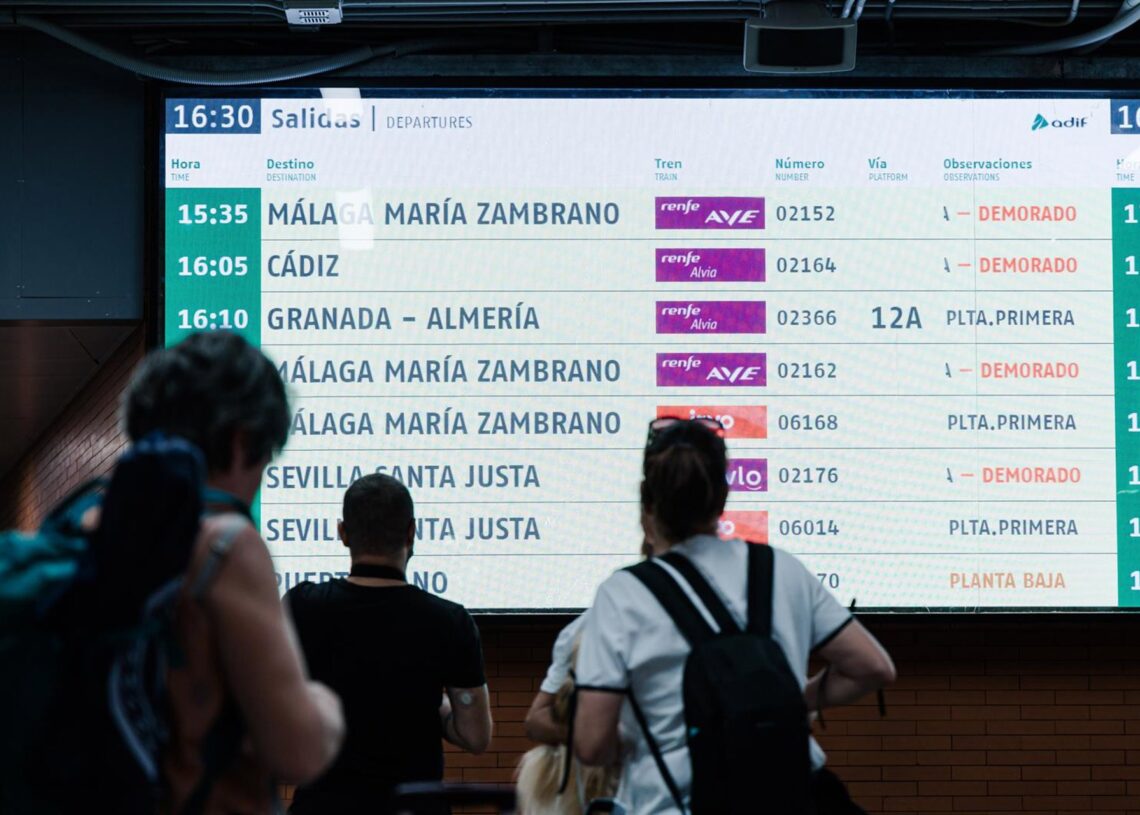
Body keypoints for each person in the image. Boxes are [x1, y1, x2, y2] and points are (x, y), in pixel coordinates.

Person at [573, 417, 896, 814]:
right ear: (723, 496)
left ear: (647, 499)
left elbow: (590, 744)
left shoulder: (622, 594)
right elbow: (873, 667)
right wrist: (794, 701)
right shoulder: (781, 569)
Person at [123, 331, 346, 812]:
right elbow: (298, 751)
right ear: (243, 439)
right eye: (266, 456)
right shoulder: (223, 545)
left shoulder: (83, 526)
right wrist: (324, 705)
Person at [285, 473, 493, 815]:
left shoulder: (302, 605)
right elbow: (475, 736)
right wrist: (435, 706)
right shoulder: (450, 621)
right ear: (412, 532)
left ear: (342, 533)